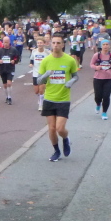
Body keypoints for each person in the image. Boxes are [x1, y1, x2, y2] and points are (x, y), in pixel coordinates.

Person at [38, 34, 79, 162]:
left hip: (63, 99)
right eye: (54, 43)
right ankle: (56, 151)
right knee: (51, 129)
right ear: (51, 44)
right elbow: (39, 80)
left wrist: (71, 82)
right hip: (49, 98)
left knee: (60, 128)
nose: (55, 45)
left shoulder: (70, 60)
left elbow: (76, 76)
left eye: (58, 43)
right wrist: (45, 75)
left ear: (62, 45)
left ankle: (65, 139)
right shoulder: (46, 61)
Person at [90, 39, 111, 120]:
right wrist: (96, 67)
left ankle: (104, 112)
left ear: (109, 46)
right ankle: (98, 104)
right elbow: (91, 64)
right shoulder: (96, 55)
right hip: (98, 78)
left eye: (107, 44)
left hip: (109, 79)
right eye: (104, 44)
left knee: (106, 96)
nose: (105, 46)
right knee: (98, 96)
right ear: (101, 46)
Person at [0, 36, 19, 105]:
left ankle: (9, 97)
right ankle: (7, 96)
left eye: (7, 42)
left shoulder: (13, 50)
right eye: (4, 42)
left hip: (10, 69)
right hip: (2, 69)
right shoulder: (0, 50)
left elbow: (17, 58)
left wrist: (14, 61)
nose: (5, 44)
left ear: (9, 42)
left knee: (9, 83)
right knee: (5, 85)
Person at [29, 38, 50, 111]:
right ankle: (40, 98)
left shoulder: (47, 52)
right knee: (36, 91)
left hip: (43, 73)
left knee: (41, 90)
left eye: (41, 43)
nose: (39, 44)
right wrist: (31, 64)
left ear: (44, 43)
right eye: (38, 43)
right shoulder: (34, 51)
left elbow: (50, 61)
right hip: (35, 73)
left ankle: (41, 104)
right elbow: (31, 59)